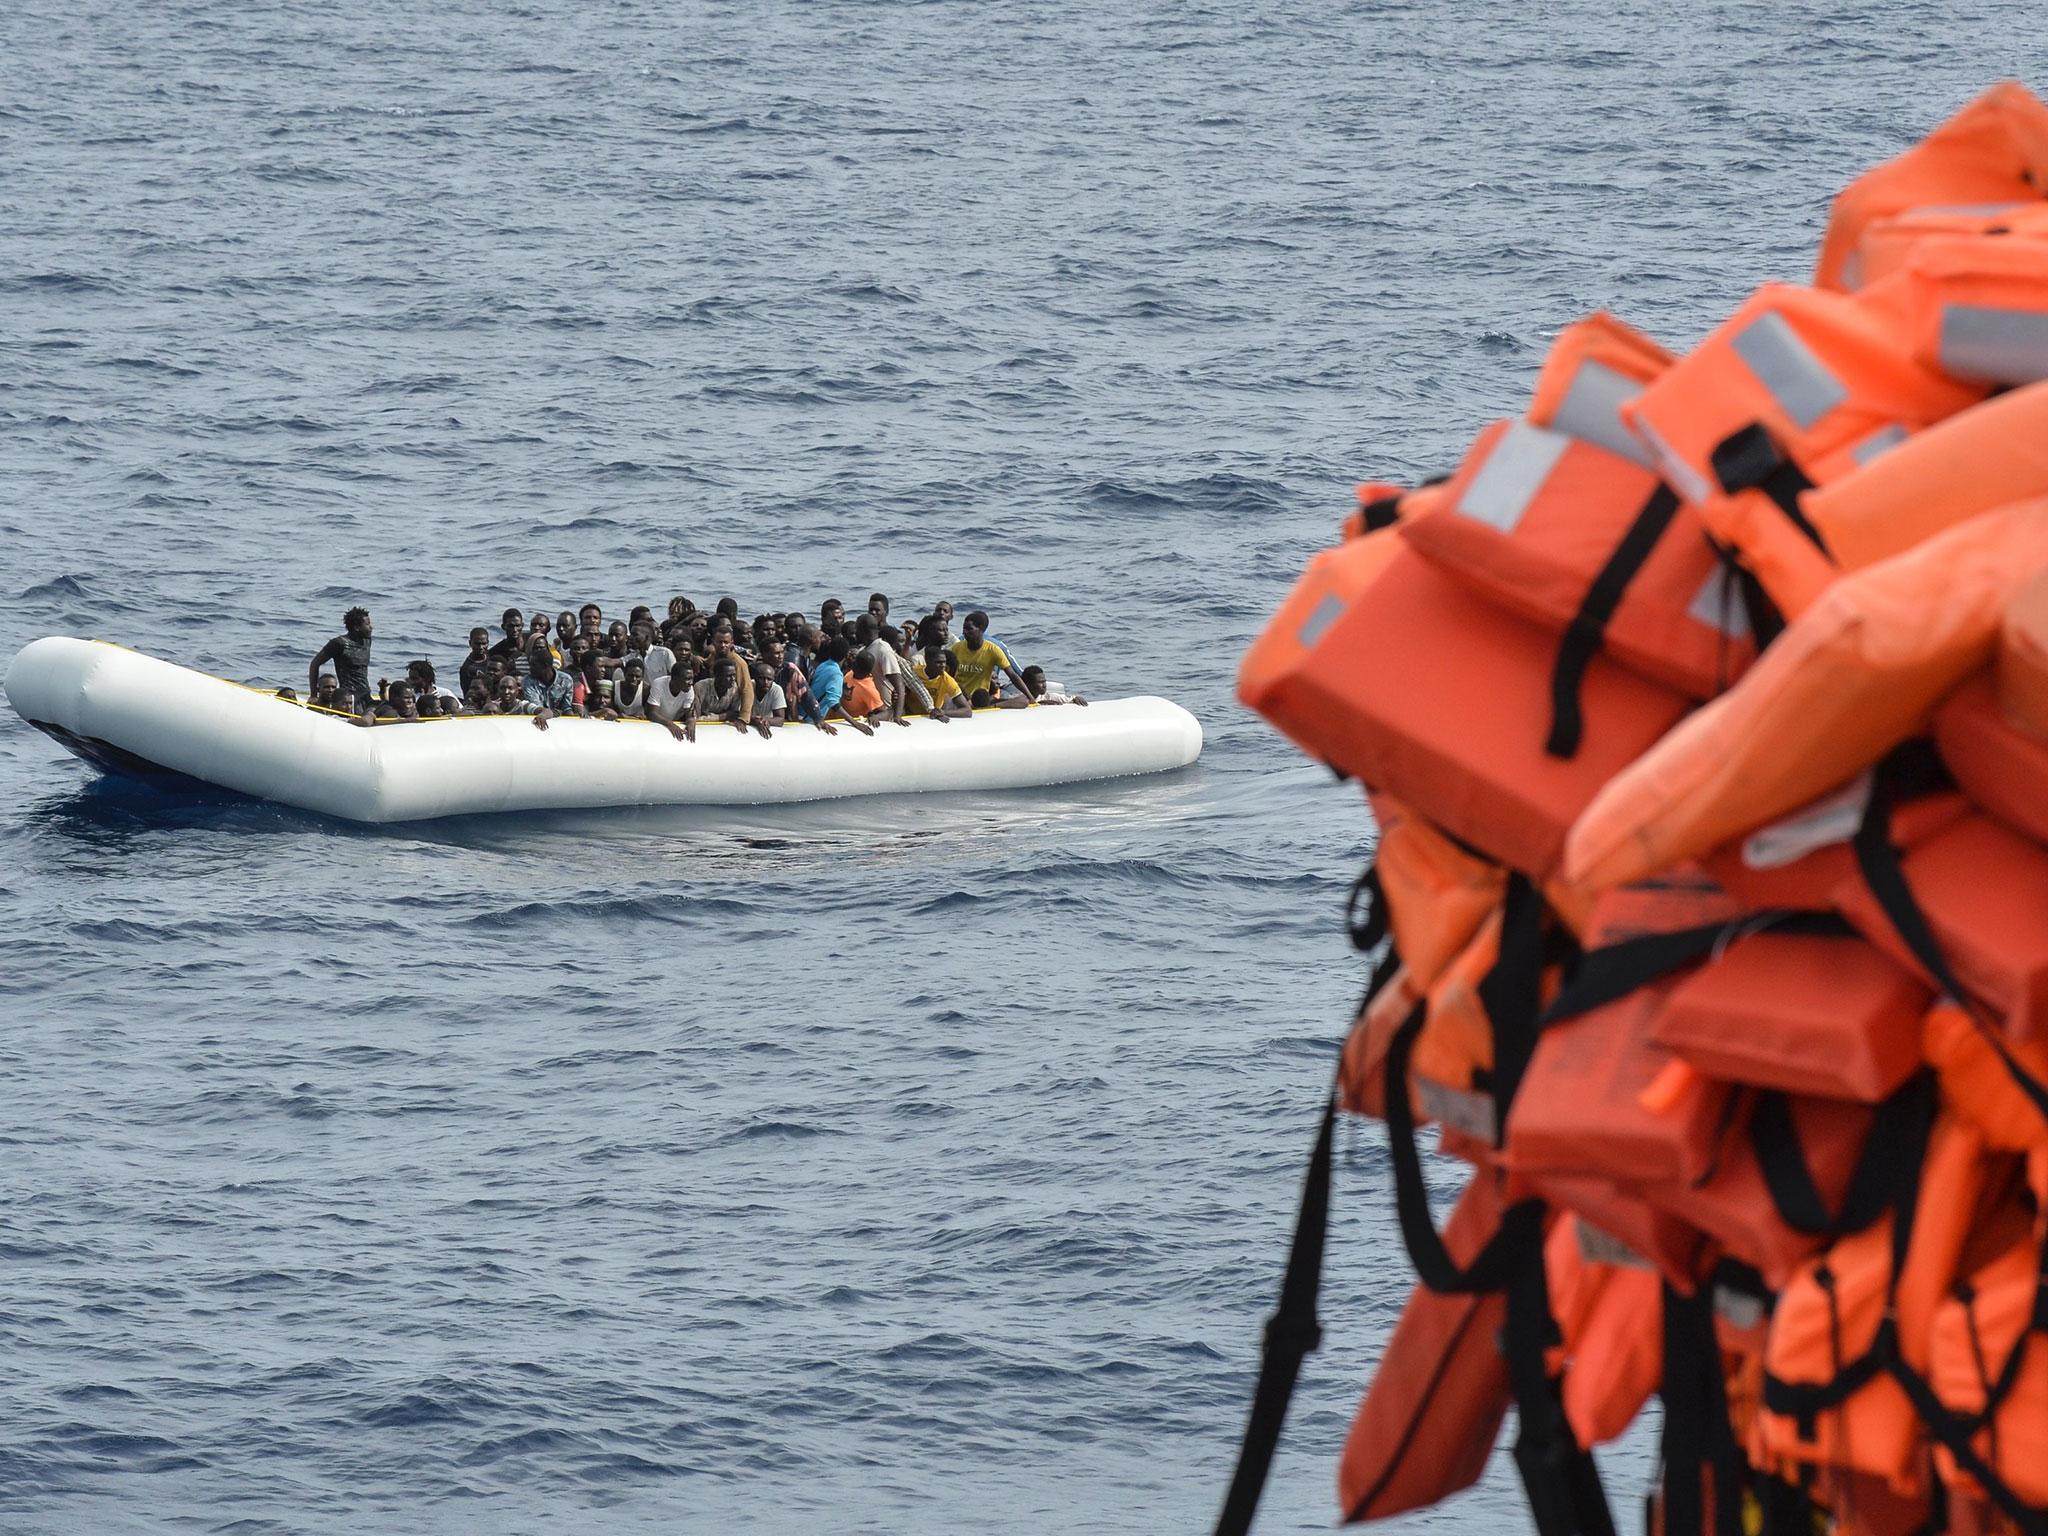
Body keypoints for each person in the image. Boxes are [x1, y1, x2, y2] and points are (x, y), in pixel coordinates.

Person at [949, 610, 1027, 702]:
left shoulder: (993, 650)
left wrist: (1030, 698)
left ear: (981, 629)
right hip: (958, 698)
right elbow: (948, 676)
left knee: (1022, 701)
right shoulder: (956, 648)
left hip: (980, 699)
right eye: (964, 629)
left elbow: (1012, 675)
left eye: (969, 629)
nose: (964, 632)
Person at [309, 607, 373, 703]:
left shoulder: (366, 641)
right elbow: (314, 664)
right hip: (348, 696)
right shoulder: (339, 643)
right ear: (356, 627)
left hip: (365, 694)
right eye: (367, 624)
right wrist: (313, 695)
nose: (371, 627)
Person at [803, 638, 865, 736]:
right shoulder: (836, 674)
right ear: (846, 655)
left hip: (804, 712)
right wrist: (855, 723)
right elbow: (833, 702)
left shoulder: (823, 665)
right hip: (810, 720)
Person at [523, 638, 581, 718]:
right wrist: (557, 712)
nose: (530, 668)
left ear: (546, 666)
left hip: (559, 721)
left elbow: (566, 707)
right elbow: (537, 708)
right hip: (539, 719)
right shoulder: (528, 681)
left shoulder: (566, 680)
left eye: (534, 666)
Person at [692, 656, 751, 733]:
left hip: (723, 728)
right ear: (717, 675)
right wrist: (724, 716)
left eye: (734, 675)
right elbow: (696, 717)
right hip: (702, 728)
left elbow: (735, 714)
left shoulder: (735, 688)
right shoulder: (701, 687)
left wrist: (716, 717)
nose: (733, 679)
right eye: (729, 676)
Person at [648, 650, 696, 742]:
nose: (691, 683)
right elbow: (652, 713)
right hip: (656, 725)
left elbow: (689, 714)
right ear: (674, 679)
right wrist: (669, 724)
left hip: (673, 722)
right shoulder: (659, 683)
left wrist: (691, 721)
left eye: (692, 679)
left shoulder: (690, 690)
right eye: (687, 679)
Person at [917, 645, 974, 718]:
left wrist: (943, 712)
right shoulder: (914, 672)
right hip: (910, 717)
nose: (943, 665)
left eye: (944, 662)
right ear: (927, 661)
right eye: (938, 662)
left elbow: (967, 711)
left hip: (931, 718)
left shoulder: (948, 680)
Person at [489, 672, 554, 729]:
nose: (506, 692)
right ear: (498, 690)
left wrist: (542, 716)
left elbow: (548, 711)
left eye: (510, 688)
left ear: (517, 691)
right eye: (503, 688)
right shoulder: (493, 706)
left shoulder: (524, 706)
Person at [842, 652, 886, 724]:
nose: (854, 663)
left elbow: (884, 711)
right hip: (838, 719)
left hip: (853, 724)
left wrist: (876, 717)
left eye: (858, 664)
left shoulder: (869, 689)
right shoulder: (851, 673)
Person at [489, 608, 530, 679]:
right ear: (503, 627)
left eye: (518, 626)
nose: (515, 630)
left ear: (522, 625)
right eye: (510, 626)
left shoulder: (532, 641)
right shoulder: (496, 651)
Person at [749, 662, 785, 739]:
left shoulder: (776, 690)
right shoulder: (748, 687)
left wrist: (764, 720)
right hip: (749, 728)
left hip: (765, 727)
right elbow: (739, 714)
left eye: (769, 679)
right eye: (762, 678)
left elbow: (780, 719)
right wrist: (756, 721)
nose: (765, 682)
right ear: (755, 678)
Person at [458, 627, 493, 695]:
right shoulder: (467, 668)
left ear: (488, 643)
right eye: (477, 644)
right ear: (470, 643)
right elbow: (467, 693)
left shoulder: (492, 657)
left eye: (484, 643)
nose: (480, 647)